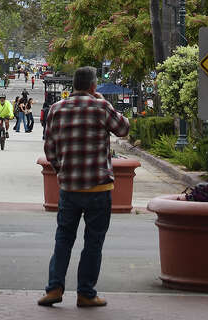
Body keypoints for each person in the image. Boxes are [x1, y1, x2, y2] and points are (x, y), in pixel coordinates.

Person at [39, 66, 130, 308]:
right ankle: (86, 293)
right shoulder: (100, 107)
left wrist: (63, 171)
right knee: (93, 242)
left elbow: (50, 149)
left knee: (63, 238)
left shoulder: (57, 109)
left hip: (69, 188)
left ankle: (54, 288)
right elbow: (124, 128)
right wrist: (102, 101)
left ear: (73, 85)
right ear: (93, 86)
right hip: (98, 189)